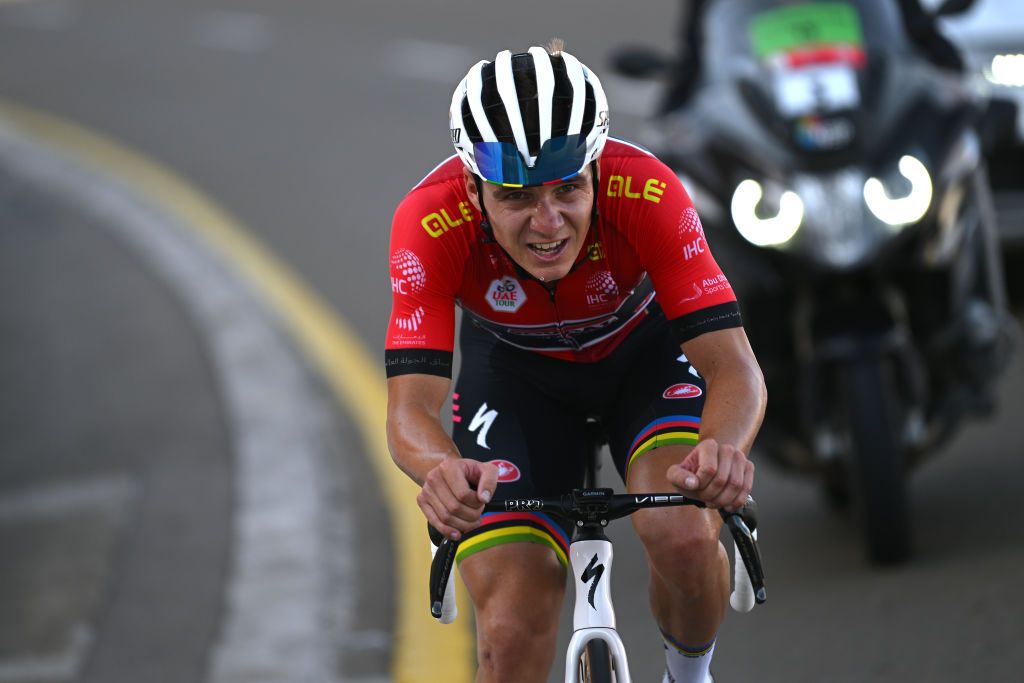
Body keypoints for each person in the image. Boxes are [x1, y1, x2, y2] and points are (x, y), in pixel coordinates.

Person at [385, 41, 766, 683]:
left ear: (597, 170)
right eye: (516, 197)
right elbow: (409, 408)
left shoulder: (647, 191)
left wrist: (724, 449)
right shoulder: (429, 221)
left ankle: (689, 674)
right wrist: (442, 469)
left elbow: (735, 368)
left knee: (681, 533)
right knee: (507, 634)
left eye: (569, 188)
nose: (548, 222)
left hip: (642, 358)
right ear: (474, 188)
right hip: (513, 375)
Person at [661, 0, 966, 113]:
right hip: (770, 148)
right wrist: (671, 117)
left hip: (868, 135)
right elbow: (695, 63)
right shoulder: (717, 9)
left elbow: (921, 39)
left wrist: (960, 86)